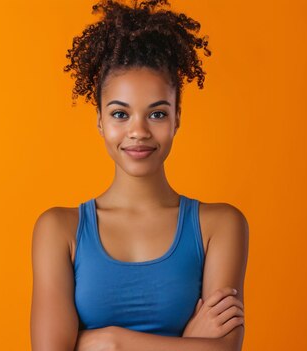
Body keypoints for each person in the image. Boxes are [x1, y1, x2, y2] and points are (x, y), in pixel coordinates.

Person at [30, 0, 249, 350]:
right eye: (120, 114)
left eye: (157, 114)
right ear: (100, 120)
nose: (139, 131)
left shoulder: (220, 225)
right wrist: (189, 343)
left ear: (178, 117)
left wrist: (108, 342)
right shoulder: (59, 230)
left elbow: (224, 348)